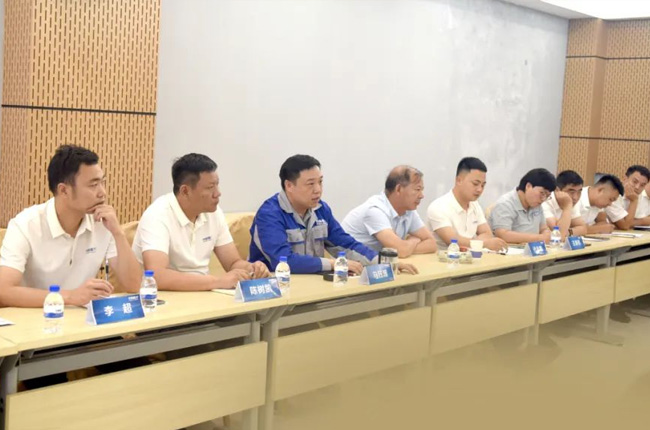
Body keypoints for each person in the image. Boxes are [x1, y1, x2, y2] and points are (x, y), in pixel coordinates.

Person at [0, 145, 141, 307]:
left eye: (103, 182)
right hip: (36, 317)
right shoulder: (25, 225)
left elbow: (135, 285)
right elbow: (4, 290)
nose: (102, 192)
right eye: (93, 185)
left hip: (81, 318)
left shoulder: (103, 222)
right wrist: (70, 297)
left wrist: (118, 233)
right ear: (64, 191)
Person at [249, 154, 417, 274]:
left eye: (320, 182)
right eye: (310, 184)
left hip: (312, 286)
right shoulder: (269, 214)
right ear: (289, 186)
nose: (318, 190)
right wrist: (333, 263)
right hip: (275, 289)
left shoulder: (321, 209)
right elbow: (283, 261)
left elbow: (346, 244)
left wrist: (384, 263)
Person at [132, 153, 269, 291]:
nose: (218, 193)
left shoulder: (214, 213)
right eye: (210, 187)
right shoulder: (157, 214)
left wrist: (251, 268)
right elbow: (157, 276)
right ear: (185, 191)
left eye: (217, 185)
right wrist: (218, 281)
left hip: (203, 294)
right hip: (165, 297)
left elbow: (233, 262)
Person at [341, 165, 436, 257]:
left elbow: (432, 244)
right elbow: (400, 251)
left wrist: (406, 246)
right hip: (351, 264)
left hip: (378, 263)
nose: (421, 195)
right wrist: (413, 240)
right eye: (417, 189)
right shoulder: (375, 210)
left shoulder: (408, 210)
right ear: (398, 189)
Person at [427, 157, 507, 251]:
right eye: (475, 184)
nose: (480, 189)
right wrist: (483, 244)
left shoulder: (474, 204)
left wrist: (474, 243)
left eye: (483, 185)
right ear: (459, 180)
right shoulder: (438, 207)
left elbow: (487, 233)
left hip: (470, 257)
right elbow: (453, 241)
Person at [488, 168, 555, 243]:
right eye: (542, 193)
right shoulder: (505, 204)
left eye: (547, 196)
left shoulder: (537, 205)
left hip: (532, 248)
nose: (543, 199)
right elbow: (503, 235)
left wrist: (546, 234)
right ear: (528, 186)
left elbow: (543, 228)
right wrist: (539, 238)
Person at [542, 170, 588, 238]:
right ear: (557, 190)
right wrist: (567, 207)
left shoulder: (571, 201)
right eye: (571, 192)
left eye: (579, 192)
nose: (575, 197)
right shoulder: (545, 202)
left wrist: (567, 232)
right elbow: (559, 234)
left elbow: (583, 228)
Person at [605, 165, 650, 230]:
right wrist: (634, 201)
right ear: (625, 179)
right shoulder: (613, 195)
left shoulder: (639, 195)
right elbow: (625, 226)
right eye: (634, 182)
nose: (637, 187)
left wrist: (632, 222)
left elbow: (644, 219)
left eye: (642, 185)